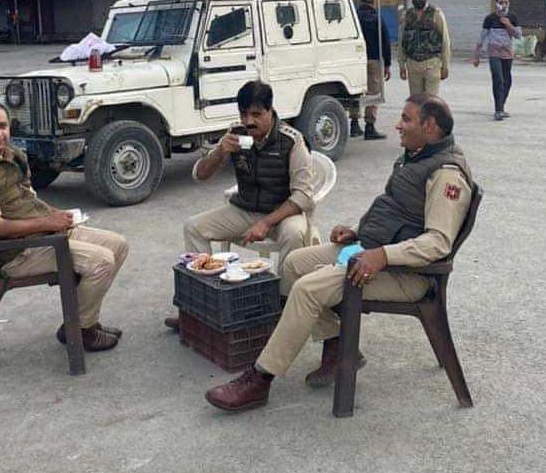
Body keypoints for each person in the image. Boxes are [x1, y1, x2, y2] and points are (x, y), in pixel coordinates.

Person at [204, 95, 473, 413]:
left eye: (406, 119)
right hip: (373, 253)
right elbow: (402, 215)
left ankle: (259, 380)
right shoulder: (416, 156)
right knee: (293, 264)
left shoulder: (446, 174)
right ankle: (337, 346)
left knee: (307, 289)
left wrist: (382, 255)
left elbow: (437, 244)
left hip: (409, 274)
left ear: (429, 127)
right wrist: (357, 234)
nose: (398, 125)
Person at [0, 102, 127, 352]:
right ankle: (81, 330)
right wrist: (47, 222)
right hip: (18, 252)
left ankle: (80, 323)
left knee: (118, 245)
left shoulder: (11, 156)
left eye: (2, 126)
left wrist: (53, 214)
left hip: (41, 235)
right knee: (101, 261)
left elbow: (27, 199)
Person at [167, 80, 314, 331]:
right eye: (244, 114)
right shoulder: (236, 134)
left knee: (295, 233)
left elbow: (303, 197)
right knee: (194, 227)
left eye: (256, 114)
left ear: (270, 111)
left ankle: (282, 308)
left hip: (281, 214)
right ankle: (203, 307)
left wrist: (266, 222)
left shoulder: (291, 141)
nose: (249, 121)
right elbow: (199, 175)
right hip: (245, 209)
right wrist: (220, 152)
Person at [473, 0, 522, 120]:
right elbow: (482, 37)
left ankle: (501, 106)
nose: (503, 5)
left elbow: (518, 35)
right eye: (501, 2)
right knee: (498, 78)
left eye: (506, 2)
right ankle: (498, 110)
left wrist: (508, 24)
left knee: (507, 81)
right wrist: (476, 55)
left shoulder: (512, 17)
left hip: (507, 53)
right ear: (496, 4)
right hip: (494, 53)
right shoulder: (490, 18)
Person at [351, 0, 392, 140]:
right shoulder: (377, 19)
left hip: (356, 61)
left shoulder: (352, 18)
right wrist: (387, 64)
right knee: (373, 94)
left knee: (355, 92)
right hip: (373, 61)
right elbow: (385, 42)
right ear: (373, 2)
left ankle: (354, 124)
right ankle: (369, 126)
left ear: (360, 1)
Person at [398, 0, 450, 96]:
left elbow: (445, 41)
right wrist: (401, 65)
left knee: (430, 101)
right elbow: (402, 42)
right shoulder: (407, 15)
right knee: (416, 101)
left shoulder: (436, 14)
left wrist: (445, 66)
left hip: (431, 64)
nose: (416, 0)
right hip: (412, 65)